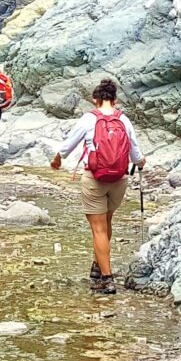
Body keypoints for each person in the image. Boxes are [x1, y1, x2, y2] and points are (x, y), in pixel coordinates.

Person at [50, 77, 145, 293]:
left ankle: (107, 278)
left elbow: (67, 146)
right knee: (106, 222)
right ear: (115, 99)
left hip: (95, 178)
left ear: (95, 100)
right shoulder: (125, 120)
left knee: (98, 229)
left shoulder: (88, 119)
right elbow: (136, 155)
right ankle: (96, 267)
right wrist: (140, 163)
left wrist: (57, 160)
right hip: (119, 180)